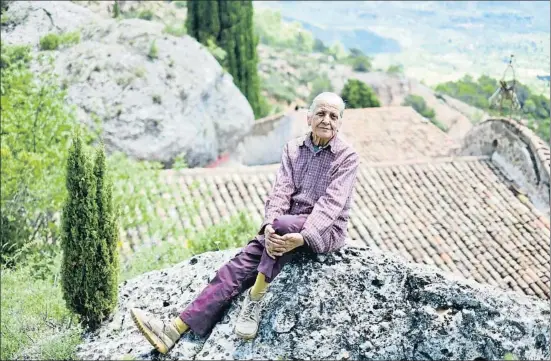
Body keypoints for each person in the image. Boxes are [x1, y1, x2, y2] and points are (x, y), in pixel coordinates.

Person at [130, 92, 360, 354]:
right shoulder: (292, 149)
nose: (326, 120)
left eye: (333, 116)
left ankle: (255, 299)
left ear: (340, 122)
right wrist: (270, 226)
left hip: (323, 231)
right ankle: (173, 330)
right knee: (233, 269)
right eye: (320, 113)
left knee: (285, 225)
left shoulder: (347, 157)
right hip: (283, 229)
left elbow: (332, 204)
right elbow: (280, 192)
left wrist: (302, 236)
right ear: (308, 118)